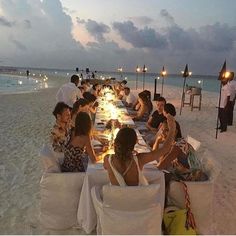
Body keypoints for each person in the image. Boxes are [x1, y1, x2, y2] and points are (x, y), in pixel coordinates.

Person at [103, 114, 176, 186]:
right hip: (138, 197)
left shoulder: (107, 159)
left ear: (115, 142)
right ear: (135, 143)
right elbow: (165, 149)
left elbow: (106, 167)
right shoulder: (140, 159)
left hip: (115, 197)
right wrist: (172, 129)